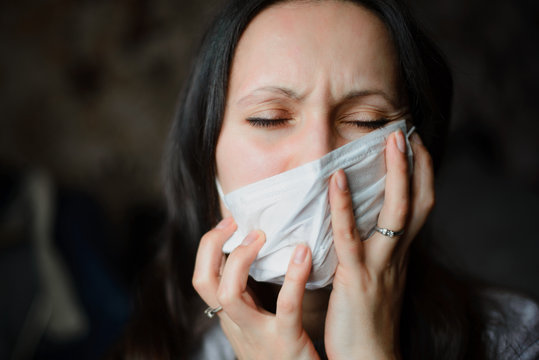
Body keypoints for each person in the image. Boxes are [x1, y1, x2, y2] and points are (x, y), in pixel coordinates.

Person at [111, 0, 539, 359]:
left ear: (415, 153)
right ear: (207, 155)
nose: (319, 158)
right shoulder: (158, 350)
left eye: (365, 121)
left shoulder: (513, 339)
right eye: (269, 118)